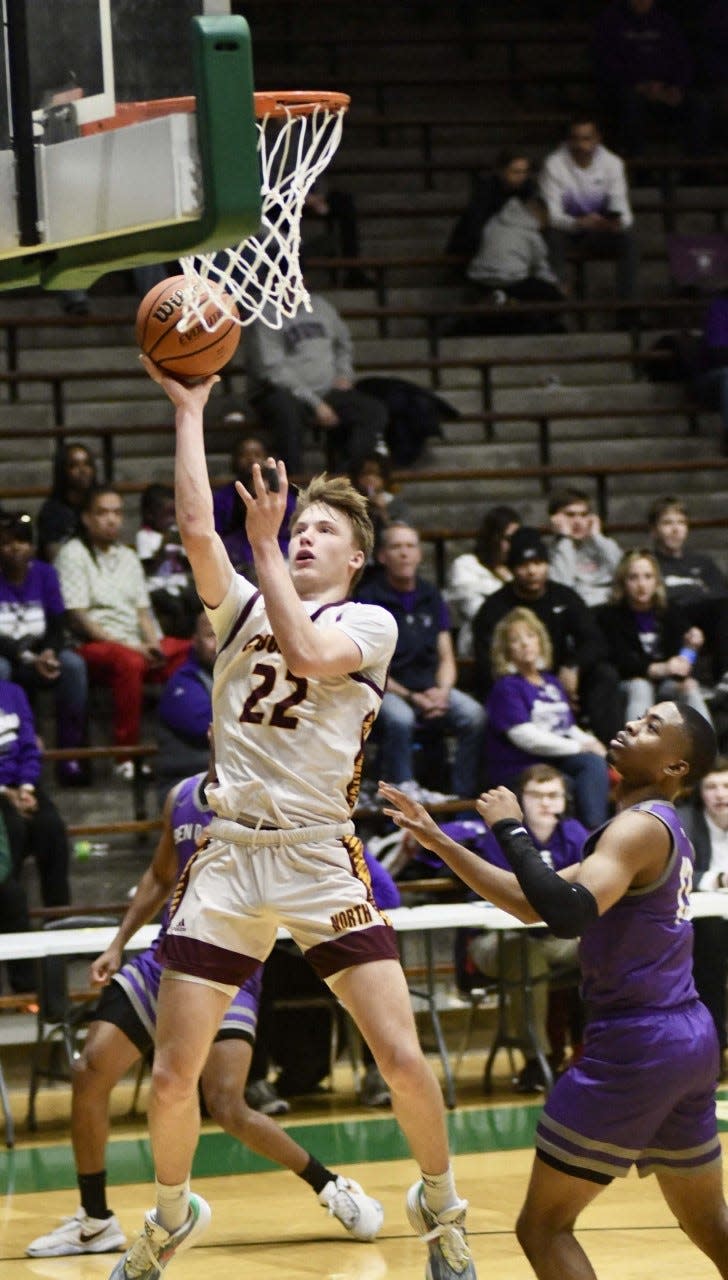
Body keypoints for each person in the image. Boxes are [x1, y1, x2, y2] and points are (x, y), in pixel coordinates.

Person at [110, 356, 478, 1280]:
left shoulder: (374, 624)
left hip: (320, 859)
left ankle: (440, 1206)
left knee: (397, 1055)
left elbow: (311, 656)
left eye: (322, 532)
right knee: (169, 1075)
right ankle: (167, 1216)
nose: (302, 537)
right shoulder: (237, 608)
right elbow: (201, 526)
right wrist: (190, 407)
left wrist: (267, 548)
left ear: (355, 558)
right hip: (230, 859)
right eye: (296, 526)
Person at [380, 700, 728, 1279]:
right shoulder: (659, 831)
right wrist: (441, 841)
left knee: (541, 1227)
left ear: (675, 767)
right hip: (685, 1038)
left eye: (651, 728)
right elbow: (529, 901)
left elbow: (566, 913)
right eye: (639, 717)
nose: (631, 724)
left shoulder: (639, 827)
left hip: (636, 1044)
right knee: (711, 1222)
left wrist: (510, 826)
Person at [25, 767, 385, 1259]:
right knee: (90, 1071)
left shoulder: (269, 798)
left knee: (227, 1104)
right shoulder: (181, 794)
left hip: (227, 964)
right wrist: (116, 944)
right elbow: (158, 875)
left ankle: (330, 1185)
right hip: (164, 957)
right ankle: (94, 1220)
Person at [440, 765, 586, 1092]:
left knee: (603, 946)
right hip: (494, 940)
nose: (546, 803)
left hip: (555, 938)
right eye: (537, 795)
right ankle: (538, 1060)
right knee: (524, 953)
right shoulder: (498, 833)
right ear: (521, 800)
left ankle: (590, 1049)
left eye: (553, 795)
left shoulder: (575, 833)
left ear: (565, 801)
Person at [56, 486, 191, 772]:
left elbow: (142, 611)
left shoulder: (128, 556)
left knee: (190, 651)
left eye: (117, 512)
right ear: (86, 518)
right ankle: (125, 755)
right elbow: (80, 618)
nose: (111, 520)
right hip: (92, 645)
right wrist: (136, 648)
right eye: (102, 513)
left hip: (135, 642)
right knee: (128, 662)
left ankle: (187, 744)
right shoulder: (73, 554)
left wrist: (153, 643)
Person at [357, 522, 486, 802]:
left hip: (430, 687)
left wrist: (443, 690)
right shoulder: (368, 598)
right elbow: (369, 666)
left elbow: (446, 655)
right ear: (382, 556)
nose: (404, 553)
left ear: (419, 554)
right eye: (396, 547)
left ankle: (462, 795)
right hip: (387, 688)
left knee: (474, 716)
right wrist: (413, 697)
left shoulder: (430, 594)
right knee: (401, 719)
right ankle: (403, 791)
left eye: (410, 546)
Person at [472, 526, 622, 747]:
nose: (532, 571)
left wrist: (573, 666)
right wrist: (534, 687)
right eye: (524, 565)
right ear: (512, 568)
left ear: (547, 564)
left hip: (564, 679)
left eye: (538, 563)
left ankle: (612, 751)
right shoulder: (495, 608)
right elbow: (487, 663)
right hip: (517, 684)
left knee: (604, 674)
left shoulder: (563, 596)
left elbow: (595, 641)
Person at [484, 607, 610, 830]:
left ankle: (595, 831)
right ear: (506, 650)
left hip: (554, 761)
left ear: (540, 641)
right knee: (567, 785)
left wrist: (594, 744)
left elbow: (567, 727)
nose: (525, 644)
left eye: (530, 636)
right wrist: (580, 746)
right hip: (520, 766)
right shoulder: (507, 687)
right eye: (515, 640)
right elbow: (526, 738)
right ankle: (582, 840)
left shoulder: (551, 682)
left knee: (594, 764)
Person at [244, 291, 388, 474]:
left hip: (325, 391)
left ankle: (346, 478)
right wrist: (316, 403)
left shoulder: (321, 306)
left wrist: (343, 374)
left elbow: (343, 343)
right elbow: (272, 370)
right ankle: (294, 485)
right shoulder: (264, 313)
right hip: (280, 392)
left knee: (373, 411)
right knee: (286, 413)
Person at [0, 511, 89, 785]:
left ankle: (71, 755)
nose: (16, 548)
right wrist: (26, 657)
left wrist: (49, 652)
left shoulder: (45, 573)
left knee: (73, 666)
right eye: (7, 542)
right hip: (8, 656)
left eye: (22, 541)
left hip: (41, 652)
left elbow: (56, 622)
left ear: (33, 546)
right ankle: (6, 759)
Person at [595, 549, 713, 723]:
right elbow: (620, 661)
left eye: (648, 577)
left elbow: (686, 651)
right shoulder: (609, 615)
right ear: (623, 582)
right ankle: (637, 746)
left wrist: (689, 652)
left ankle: (708, 747)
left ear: (656, 581)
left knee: (690, 687)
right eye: (633, 578)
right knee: (641, 686)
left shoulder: (670, 611)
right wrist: (661, 668)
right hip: (628, 683)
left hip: (666, 683)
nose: (641, 584)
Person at [539, 116, 639, 305]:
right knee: (551, 236)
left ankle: (628, 310)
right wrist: (578, 222)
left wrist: (614, 223)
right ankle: (555, 307)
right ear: (568, 140)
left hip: (599, 232)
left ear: (597, 139)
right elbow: (551, 215)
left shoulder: (613, 163)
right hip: (566, 231)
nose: (580, 145)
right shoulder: (554, 164)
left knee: (629, 240)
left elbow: (624, 212)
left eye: (586, 138)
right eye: (576, 139)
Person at [592, 0, 707, 158]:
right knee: (629, 104)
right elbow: (606, 65)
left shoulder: (666, 22)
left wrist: (676, 86)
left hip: (666, 91)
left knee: (699, 104)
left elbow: (683, 60)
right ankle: (639, 169)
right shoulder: (611, 21)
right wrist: (640, 86)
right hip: (629, 91)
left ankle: (696, 169)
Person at [0, 677, 71, 908]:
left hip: (21, 784)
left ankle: (58, 916)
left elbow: (29, 745)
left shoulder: (13, 692)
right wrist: (5, 793)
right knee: (13, 830)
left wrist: (26, 787)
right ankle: (12, 920)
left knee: (51, 827)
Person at [647, 494, 728, 691]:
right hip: (668, 620)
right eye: (667, 523)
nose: (676, 529)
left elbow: (719, 597)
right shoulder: (649, 562)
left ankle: (724, 676)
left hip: (706, 621)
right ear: (654, 530)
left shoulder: (702, 563)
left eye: (681, 523)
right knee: (671, 608)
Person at [678, 757, 728, 1073]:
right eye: (711, 787)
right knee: (708, 946)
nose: (720, 794)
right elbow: (678, 873)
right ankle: (716, 1048)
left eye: (726, 786)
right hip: (705, 922)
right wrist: (718, 880)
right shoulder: (685, 822)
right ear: (700, 792)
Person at [465, 195, 567, 332]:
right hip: (511, 280)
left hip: (479, 278)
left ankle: (499, 298)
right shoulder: (531, 233)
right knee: (553, 295)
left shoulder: (495, 220)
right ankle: (507, 301)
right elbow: (540, 268)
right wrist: (557, 286)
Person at [212, 432, 297, 577]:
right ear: (234, 460)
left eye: (257, 454)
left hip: (281, 550)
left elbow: (294, 527)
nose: (251, 459)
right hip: (237, 553)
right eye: (244, 455)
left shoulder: (285, 495)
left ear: (267, 458)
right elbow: (216, 535)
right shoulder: (222, 497)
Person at [155, 611, 216, 802]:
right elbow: (206, 727)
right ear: (195, 641)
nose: (220, 642)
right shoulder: (182, 683)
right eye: (211, 635)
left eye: (226, 633)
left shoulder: (243, 676)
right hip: (185, 784)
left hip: (225, 780)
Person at [446, 504, 520, 659]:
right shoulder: (466, 565)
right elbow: (476, 611)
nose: (513, 545)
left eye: (517, 539)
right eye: (507, 539)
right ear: (493, 537)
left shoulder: (520, 570)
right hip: (479, 647)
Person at [445, 150, 534, 261]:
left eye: (524, 172)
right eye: (516, 172)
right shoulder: (486, 191)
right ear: (502, 171)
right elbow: (476, 228)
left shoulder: (528, 189)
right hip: (478, 248)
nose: (522, 177)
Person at [136, 484, 199, 639]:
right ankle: (177, 639)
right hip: (156, 586)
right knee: (173, 606)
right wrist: (165, 545)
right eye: (168, 515)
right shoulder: (145, 536)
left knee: (196, 599)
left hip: (179, 584)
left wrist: (184, 546)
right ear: (151, 515)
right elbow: (148, 568)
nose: (173, 520)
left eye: (175, 514)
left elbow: (187, 565)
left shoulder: (176, 534)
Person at [547, 487, 622, 607]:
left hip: (610, 608)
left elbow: (623, 571)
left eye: (584, 515)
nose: (578, 521)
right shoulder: (553, 552)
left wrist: (598, 537)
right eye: (570, 515)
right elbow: (563, 586)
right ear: (555, 520)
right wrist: (565, 540)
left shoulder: (603, 545)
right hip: (575, 612)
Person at [37, 441, 98, 562]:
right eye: (74, 465)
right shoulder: (52, 512)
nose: (83, 470)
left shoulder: (98, 505)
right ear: (62, 471)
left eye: (87, 464)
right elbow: (56, 559)